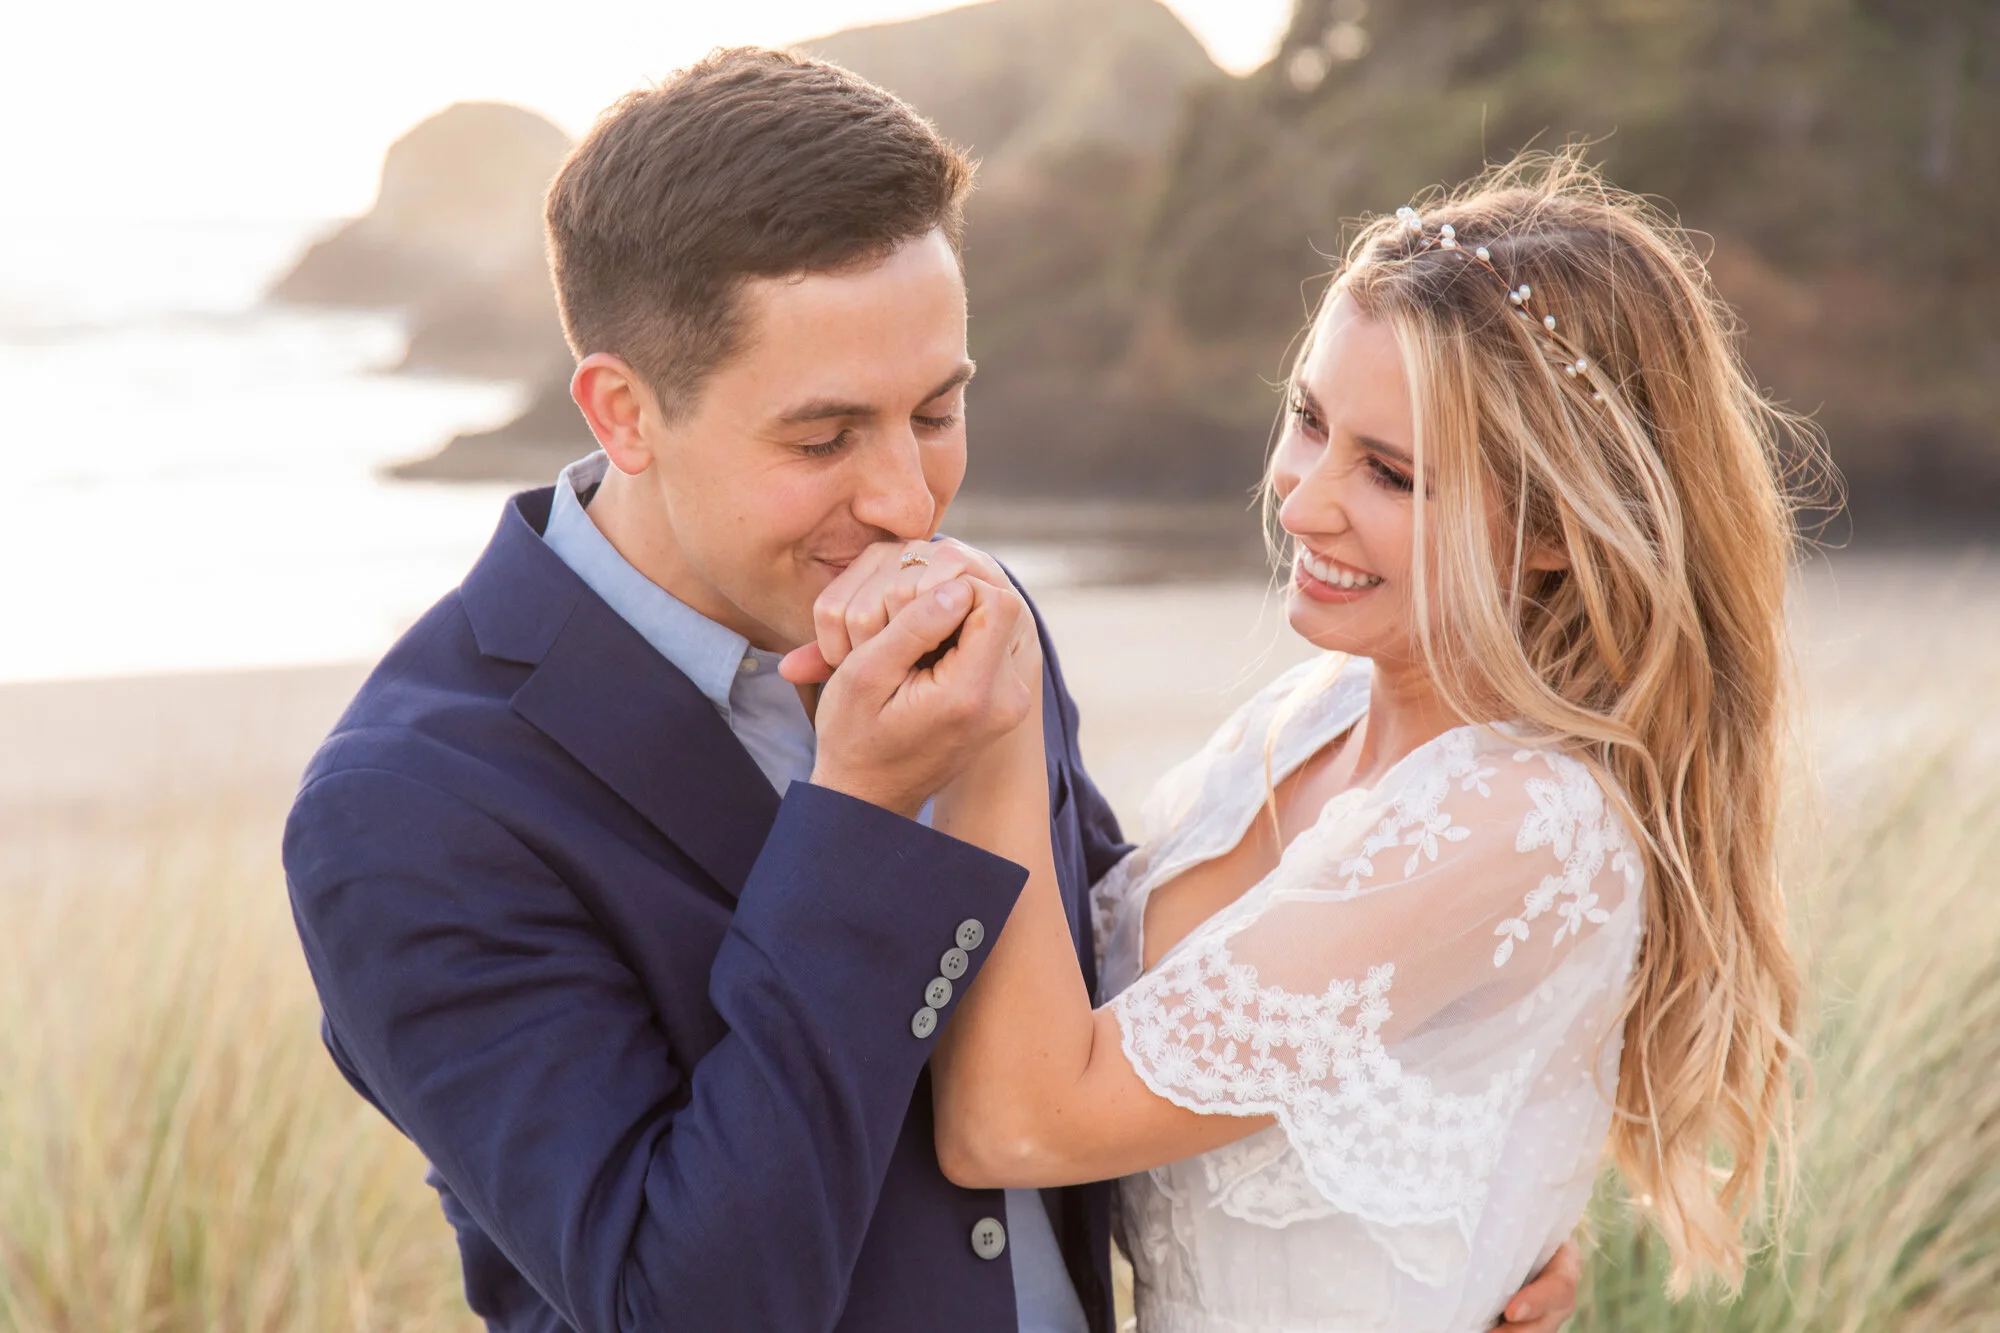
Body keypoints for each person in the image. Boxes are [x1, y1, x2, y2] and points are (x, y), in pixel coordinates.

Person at [283, 49, 1581, 1333]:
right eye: (825, 436)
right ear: (623, 413)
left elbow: (1131, 1020)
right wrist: (857, 812)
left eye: (938, 411)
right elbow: (685, 1302)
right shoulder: (410, 811)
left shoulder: (965, 612)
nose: (908, 501)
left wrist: (1437, 1212)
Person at [799, 155, 1807, 1331]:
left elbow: (1015, 1125)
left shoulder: (1522, 822)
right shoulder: (1309, 712)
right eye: (1309, 420)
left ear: (1553, 532)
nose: (1302, 499)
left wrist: (997, 720)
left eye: (1388, 472)